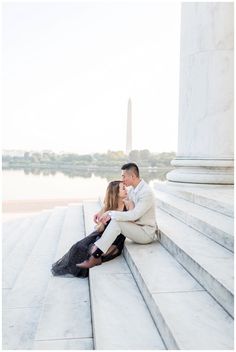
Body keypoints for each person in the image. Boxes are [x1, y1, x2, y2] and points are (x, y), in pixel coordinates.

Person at [77, 162, 157, 269]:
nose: (122, 179)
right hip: (135, 227)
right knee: (114, 221)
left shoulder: (146, 192)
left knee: (116, 222)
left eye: (124, 176)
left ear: (132, 176)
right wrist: (101, 212)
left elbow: (134, 215)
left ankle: (95, 257)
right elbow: (117, 198)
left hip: (145, 233)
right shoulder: (134, 189)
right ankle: (97, 253)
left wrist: (110, 214)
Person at [51, 180, 131, 278]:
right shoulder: (109, 207)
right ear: (116, 193)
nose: (126, 190)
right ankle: (72, 269)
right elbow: (101, 227)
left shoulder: (128, 205)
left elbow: (131, 220)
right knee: (78, 247)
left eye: (125, 188)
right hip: (101, 236)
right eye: (123, 188)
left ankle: (90, 261)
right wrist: (101, 221)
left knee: (92, 251)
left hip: (116, 242)